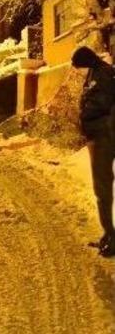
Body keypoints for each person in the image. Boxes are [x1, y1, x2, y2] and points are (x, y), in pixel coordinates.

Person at [72, 46, 115, 257]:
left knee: (103, 188)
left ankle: (112, 238)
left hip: (104, 137)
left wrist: (84, 113)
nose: (77, 71)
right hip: (100, 136)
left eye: (78, 67)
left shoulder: (102, 75)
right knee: (102, 189)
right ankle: (109, 234)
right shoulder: (97, 74)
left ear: (85, 64)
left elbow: (100, 104)